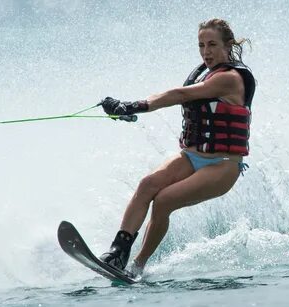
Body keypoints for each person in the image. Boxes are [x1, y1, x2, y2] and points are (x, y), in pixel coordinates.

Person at [98, 18, 256, 277]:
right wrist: (125, 109)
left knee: (163, 201)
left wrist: (133, 105)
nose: (206, 52)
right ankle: (117, 253)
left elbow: (180, 95)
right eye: (201, 45)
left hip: (222, 165)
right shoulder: (206, 74)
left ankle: (137, 265)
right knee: (148, 185)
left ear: (228, 46)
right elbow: (178, 95)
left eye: (213, 45)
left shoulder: (230, 78)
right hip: (191, 157)